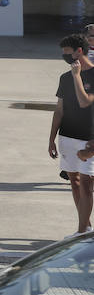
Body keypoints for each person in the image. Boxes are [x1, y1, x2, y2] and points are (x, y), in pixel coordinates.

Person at [51, 35, 94, 235]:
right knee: (74, 183)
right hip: (67, 136)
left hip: (89, 140)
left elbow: (85, 102)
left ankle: (81, 231)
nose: (64, 56)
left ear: (79, 51)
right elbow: (59, 110)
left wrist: (77, 75)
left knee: (86, 185)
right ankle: (85, 227)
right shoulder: (64, 77)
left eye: (67, 52)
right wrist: (51, 138)